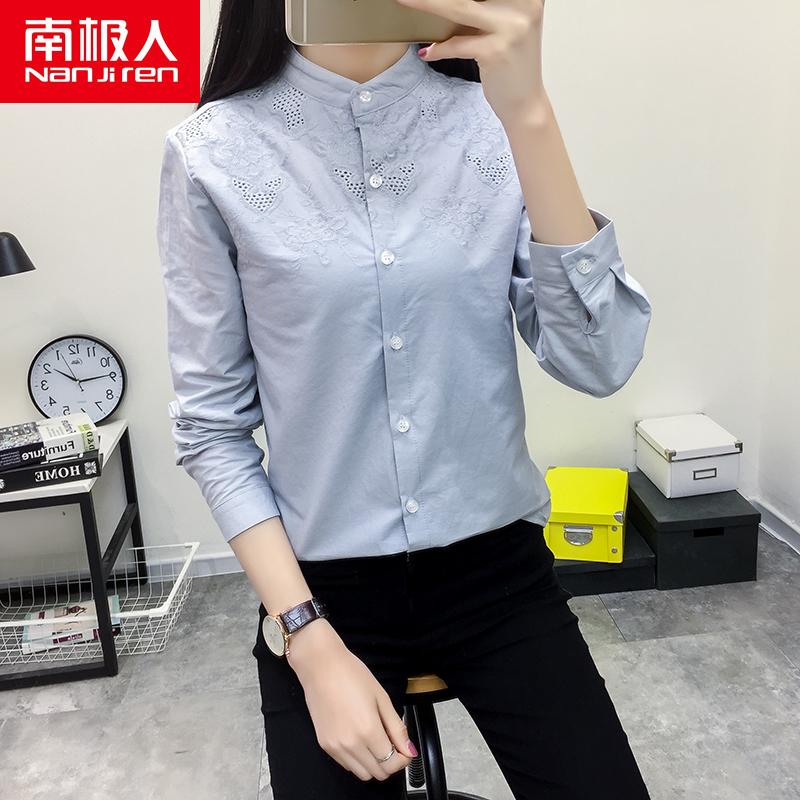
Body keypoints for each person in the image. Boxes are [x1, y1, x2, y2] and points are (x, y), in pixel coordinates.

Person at [156, 1, 653, 797]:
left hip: (499, 572)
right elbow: (213, 431)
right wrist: (305, 636)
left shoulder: (492, 123)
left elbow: (599, 361)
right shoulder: (213, 152)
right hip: (322, 589)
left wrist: (529, 109)